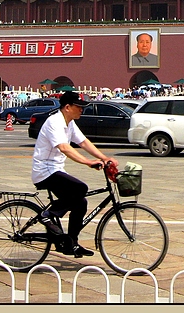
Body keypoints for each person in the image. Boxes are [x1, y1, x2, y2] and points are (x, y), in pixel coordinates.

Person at [31, 91, 118, 258]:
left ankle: (72, 243)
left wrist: (104, 158)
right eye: (79, 107)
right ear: (67, 107)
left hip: (56, 169)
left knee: (81, 203)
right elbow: (64, 148)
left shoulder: (69, 123)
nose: (81, 110)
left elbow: (83, 142)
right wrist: (88, 162)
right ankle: (47, 215)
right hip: (44, 171)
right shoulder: (54, 122)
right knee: (80, 188)